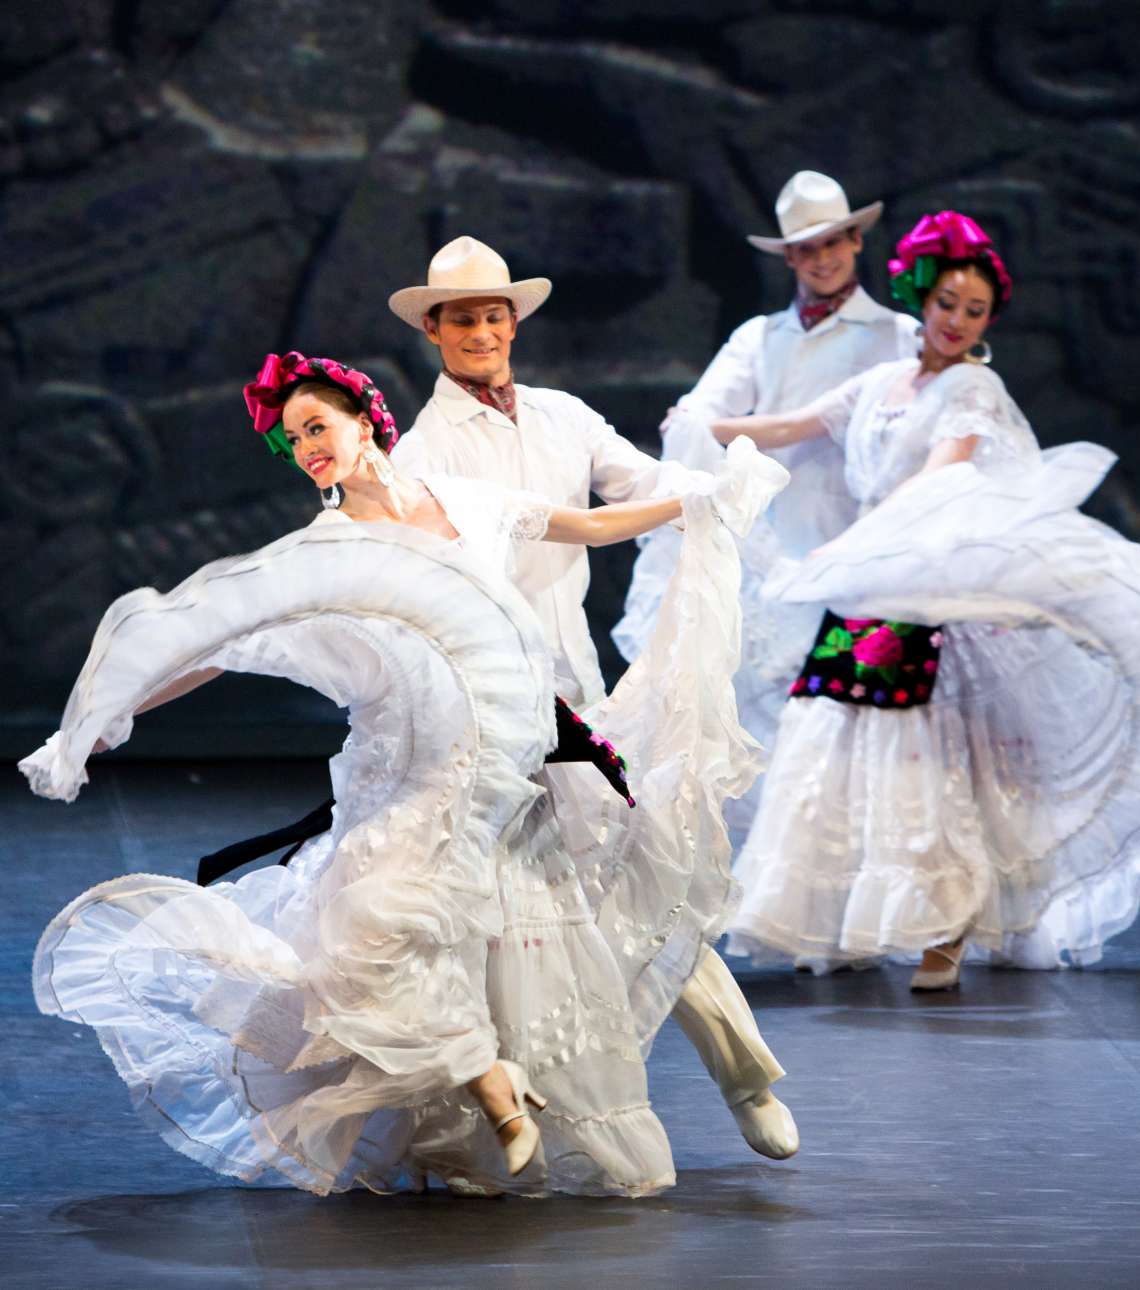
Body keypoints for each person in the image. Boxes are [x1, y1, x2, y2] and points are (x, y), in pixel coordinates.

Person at [21, 352, 788, 1197]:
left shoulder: (466, 501)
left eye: (318, 426)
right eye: (293, 440)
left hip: (521, 756)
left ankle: (637, 1095)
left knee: (564, 928)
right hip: (416, 775)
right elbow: (222, 642)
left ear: (364, 419)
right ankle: (478, 1115)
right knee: (403, 935)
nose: (308, 446)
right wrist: (109, 716)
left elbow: (594, 525)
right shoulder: (328, 548)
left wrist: (704, 503)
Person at [711, 211, 1140, 988]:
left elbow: (942, 475)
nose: (955, 321)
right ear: (922, 297)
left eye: (974, 311)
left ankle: (944, 926)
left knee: (923, 754)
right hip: (867, 584)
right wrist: (706, 428)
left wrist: (863, 542)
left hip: (924, 586)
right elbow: (795, 424)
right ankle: (846, 915)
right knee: (835, 740)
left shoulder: (973, 386)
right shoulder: (884, 381)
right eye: (947, 303)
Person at [387, 237, 800, 1159]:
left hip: (575, 695)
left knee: (644, 871)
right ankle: (493, 1118)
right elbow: (573, 530)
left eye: (496, 315)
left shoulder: (562, 416)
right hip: (486, 706)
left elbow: (642, 480)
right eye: (464, 318)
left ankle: (746, 1077)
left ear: (514, 322)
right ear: (433, 329)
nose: (483, 331)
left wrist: (713, 490)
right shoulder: (423, 449)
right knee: (509, 920)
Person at [613, 170, 919, 841]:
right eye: (807, 248)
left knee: (866, 731)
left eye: (834, 241)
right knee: (788, 735)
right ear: (789, 257)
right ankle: (806, 912)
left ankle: (861, 908)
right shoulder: (760, 337)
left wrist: (749, 428)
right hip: (780, 565)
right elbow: (689, 422)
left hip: (869, 563)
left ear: (857, 239)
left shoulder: (900, 335)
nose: (823, 257)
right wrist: (768, 428)